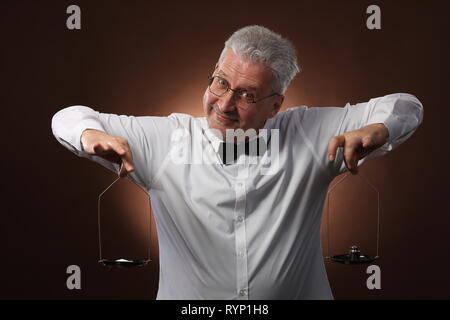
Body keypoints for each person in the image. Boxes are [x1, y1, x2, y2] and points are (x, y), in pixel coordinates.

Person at [51, 25, 423, 299]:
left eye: (247, 95)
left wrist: (379, 129)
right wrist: (89, 135)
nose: (226, 104)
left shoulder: (310, 133)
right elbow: (68, 116)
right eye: (221, 83)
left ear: (276, 105)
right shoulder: (166, 141)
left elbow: (405, 105)